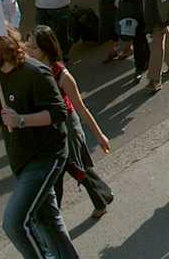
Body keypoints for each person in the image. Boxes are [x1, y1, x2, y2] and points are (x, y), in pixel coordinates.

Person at [0, 28, 79, 258]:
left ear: (2, 42)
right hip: (21, 158)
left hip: (46, 156)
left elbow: (58, 112)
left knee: (14, 223)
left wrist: (21, 120)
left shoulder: (35, 72)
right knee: (46, 219)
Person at [26, 26, 114, 219]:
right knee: (65, 171)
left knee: (74, 169)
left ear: (45, 48)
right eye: (27, 45)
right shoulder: (32, 70)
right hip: (48, 129)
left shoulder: (63, 76)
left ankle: (54, 217)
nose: (27, 50)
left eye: (33, 47)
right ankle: (101, 198)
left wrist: (100, 136)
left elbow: (81, 108)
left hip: (67, 129)